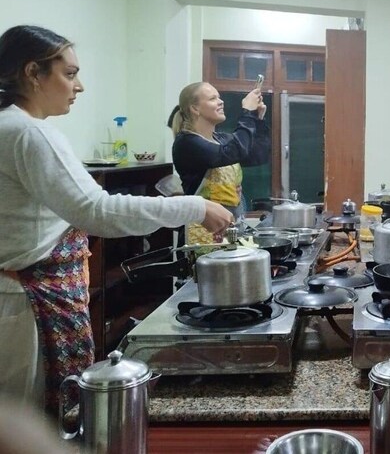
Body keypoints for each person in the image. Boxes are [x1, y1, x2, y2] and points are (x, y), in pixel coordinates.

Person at [0, 25, 233, 414]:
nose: (79, 86)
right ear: (33, 74)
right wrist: (195, 207)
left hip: (21, 298)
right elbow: (98, 211)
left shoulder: (11, 126)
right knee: (37, 419)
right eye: (69, 74)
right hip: (28, 308)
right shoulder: (28, 133)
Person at [171, 81, 270, 244]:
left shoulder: (222, 139)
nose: (221, 101)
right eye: (212, 98)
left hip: (232, 231)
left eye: (219, 97)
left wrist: (258, 119)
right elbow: (232, 152)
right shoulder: (187, 143)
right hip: (201, 236)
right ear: (195, 108)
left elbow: (258, 154)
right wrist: (248, 113)